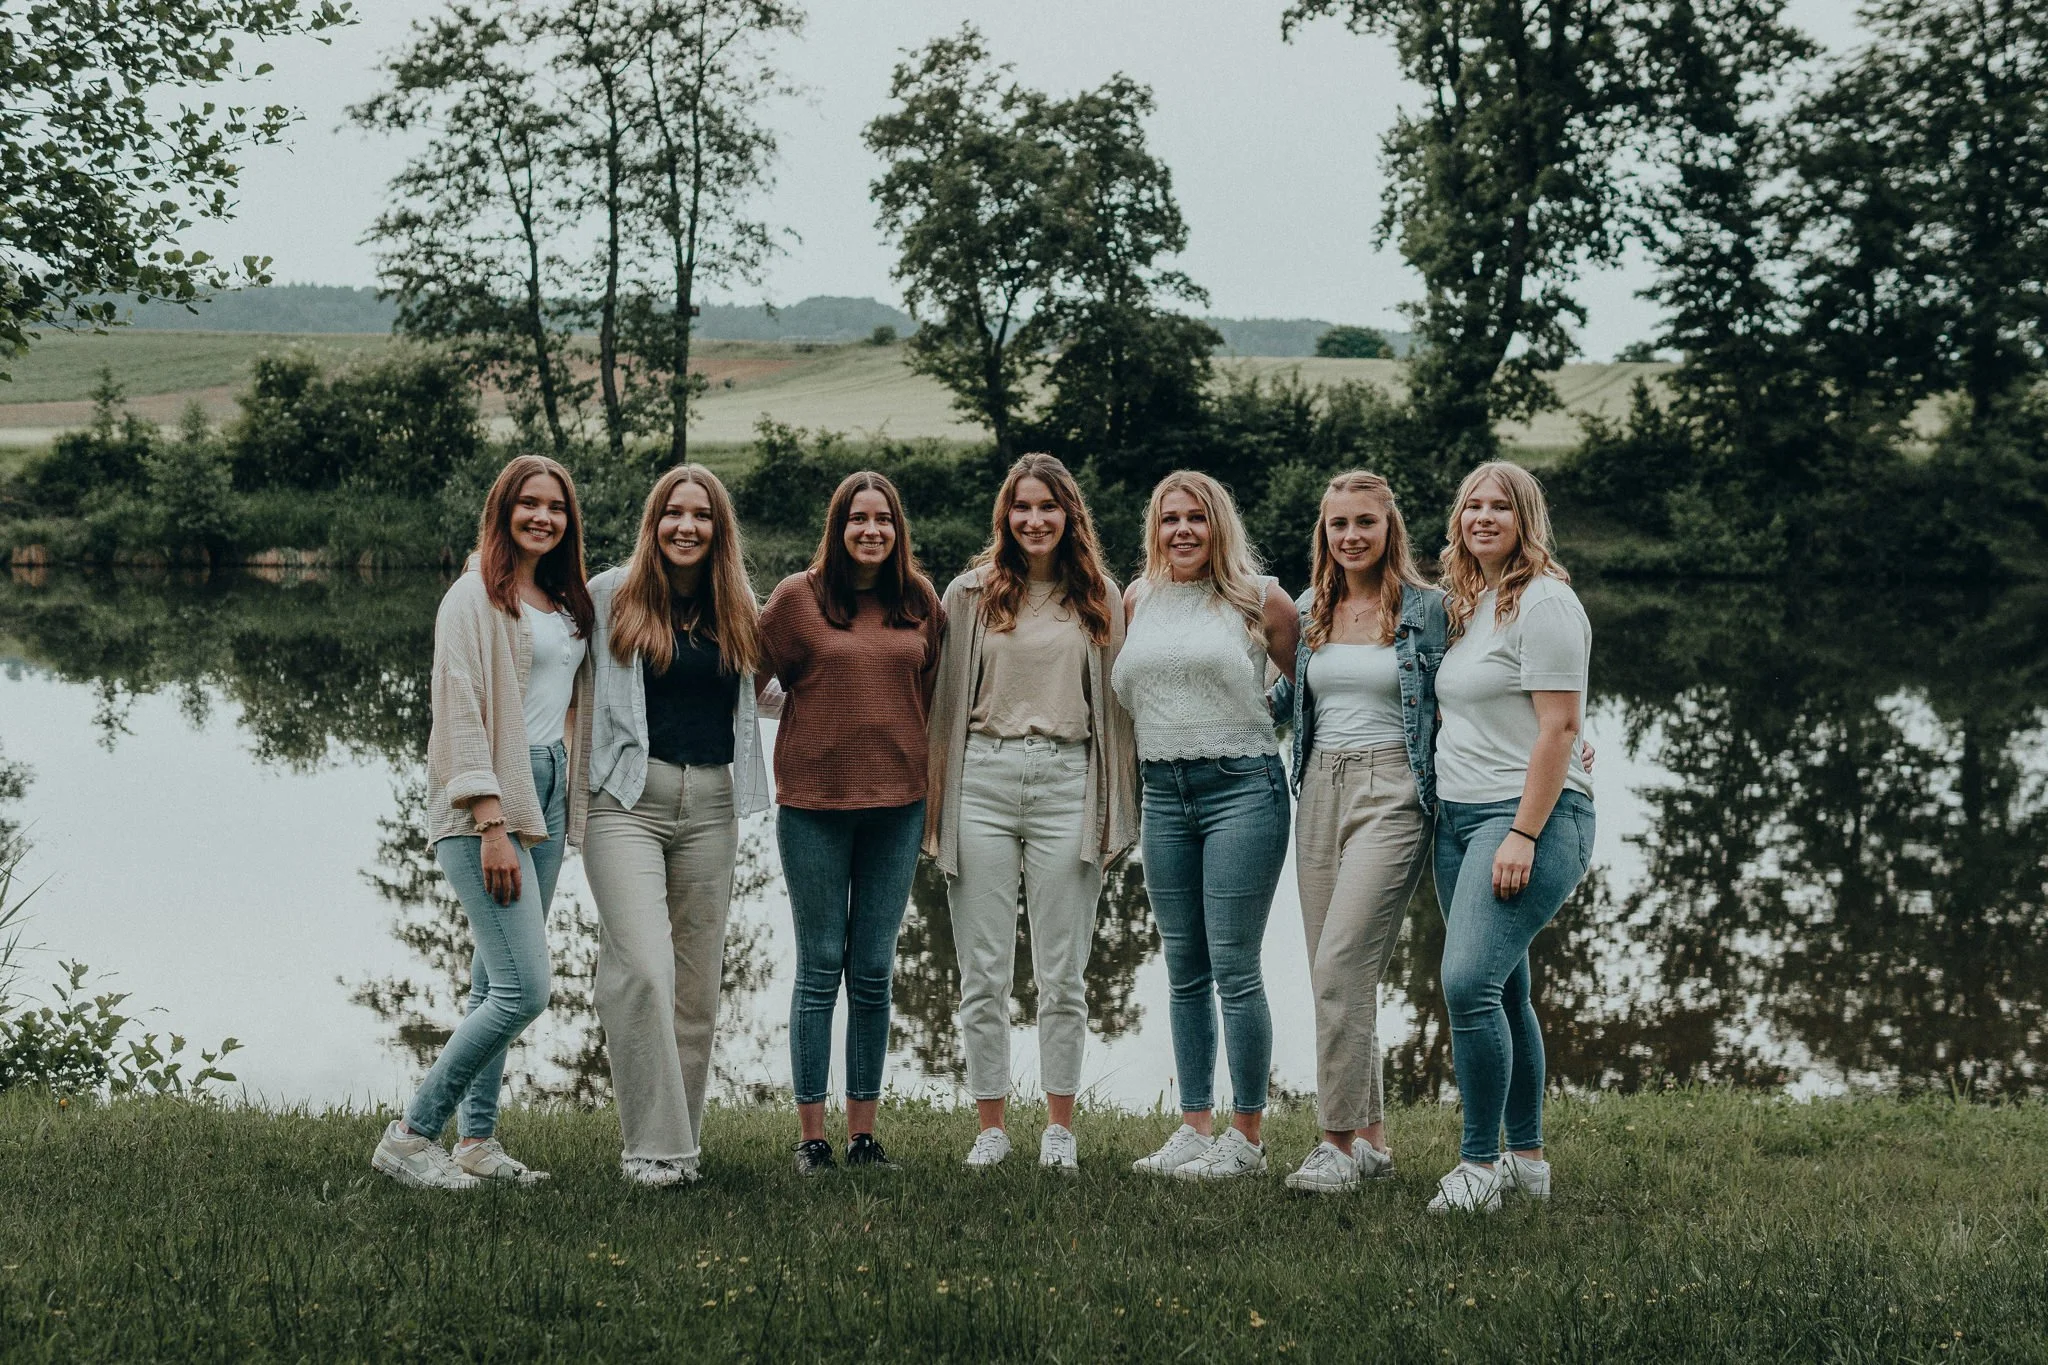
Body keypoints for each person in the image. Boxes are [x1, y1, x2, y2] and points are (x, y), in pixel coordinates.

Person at [373, 455, 594, 1189]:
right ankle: (411, 1132)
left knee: (489, 981)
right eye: (528, 504)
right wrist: (490, 821)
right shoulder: (473, 597)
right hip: (489, 800)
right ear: (503, 512)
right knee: (525, 989)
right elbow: (458, 712)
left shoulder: (563, 597)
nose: (543, 516)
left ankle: (476, 1140)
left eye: (556, 507)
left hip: (550, 791)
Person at [924, 454, 1138, 1172]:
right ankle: (990, 1124)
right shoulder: (970, 593)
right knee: (982, 969)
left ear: (1069, 514)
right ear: (1005, 516)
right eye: (1022, 508)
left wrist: (1114, 807)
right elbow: (941, 699)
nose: (1035, 519)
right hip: (981, 777)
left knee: (1063, 970)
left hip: (1066, 779)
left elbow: (1119, 713)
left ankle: (1059, 1127)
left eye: (1048, 507)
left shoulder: (1099, 596)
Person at [583, 465, 768, 1188]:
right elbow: (544, 661)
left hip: (712, 807)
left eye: (701, 515)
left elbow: (772, 691)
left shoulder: (738, 605)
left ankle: (679, 1147)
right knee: (643, 971)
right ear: (652, 522)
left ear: (719, 530)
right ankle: (648, 1150)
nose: (685, 526)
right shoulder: (608, 596)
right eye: (672, 513)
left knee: (697, 986)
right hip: (626, 802)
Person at [1111, 470, 1299, 1181]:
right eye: (1169, 519)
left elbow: (1311, 688)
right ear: (1155, 529)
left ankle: (1246, 1137)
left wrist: (1264, 727)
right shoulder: (1138, 597)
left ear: (1219, 525)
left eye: (1196, 518)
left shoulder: (1260, 597)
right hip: (1163, 791)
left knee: (1234, 967)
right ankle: (1194, 1126)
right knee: (1183, 966)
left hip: (1241, 791)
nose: (1182, 530)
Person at [759, 471, 943, 1175]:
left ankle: (864, 1136)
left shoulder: (919, 600)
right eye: (857, 519)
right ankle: (812, 1139)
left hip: (897, 806)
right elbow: (749, 680)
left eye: (884, 519)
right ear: (837, 528)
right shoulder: (797, 599)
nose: (871, 530)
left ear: (898, 530)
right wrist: (806, 711)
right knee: (819, 966)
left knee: (871, 969)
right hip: (812, 806)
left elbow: (924, 693)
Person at [1426, 460, 1596, 1214]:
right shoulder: (1474, 603)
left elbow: (1561, 725)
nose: (1483, 517)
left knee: (1468, 983)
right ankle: (1527, 1157)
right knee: (1507, 986)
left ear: (1527, 519)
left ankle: (1478, 1164)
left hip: (1528, 818)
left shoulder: (1547, 602)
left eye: (1500, 506)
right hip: (1458, 820)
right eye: (1472, 506)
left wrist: (1523, 832)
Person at [1274, 471, 1445, 1194]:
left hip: (1394, 788)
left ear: (1388, 528)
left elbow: (1488, 679)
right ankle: (1372, 1142)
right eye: (1338, 523)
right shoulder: (1312, 606)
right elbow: (1283, 701)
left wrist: (1567, 734)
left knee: (1341, 964)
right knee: (1335, 972)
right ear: (1325, 531)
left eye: (1364, 523)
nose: (1350, 536)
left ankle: (1335, 1143)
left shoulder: (1432, 611)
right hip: (1317, 787)